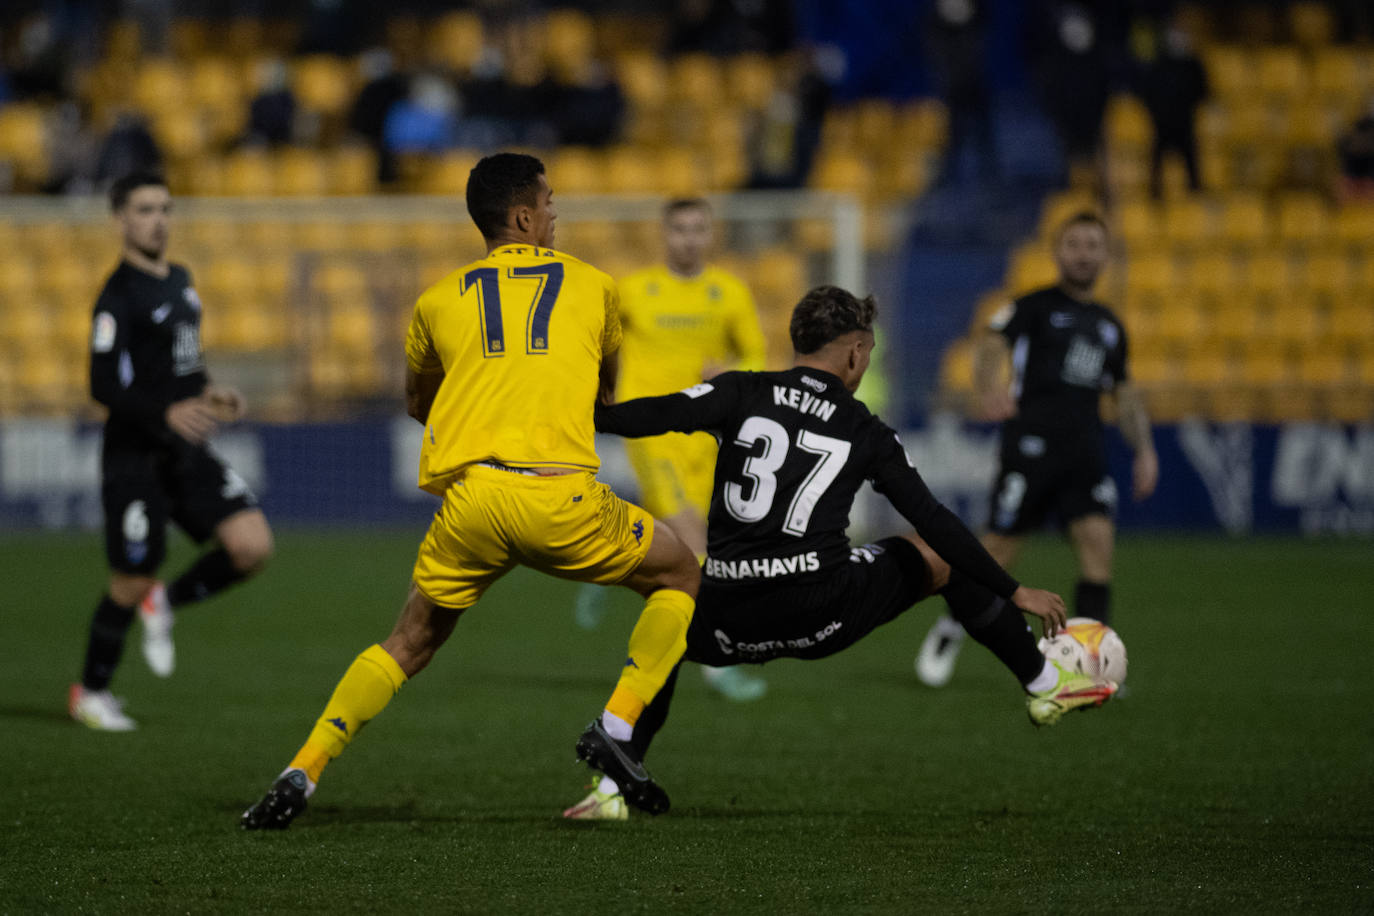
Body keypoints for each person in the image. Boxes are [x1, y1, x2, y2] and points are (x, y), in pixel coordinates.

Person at [240, 153, 701, 829]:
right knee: (682, 573)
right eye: (548, 202)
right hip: (560, 499)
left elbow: (417, 403)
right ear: (522, 217)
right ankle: (616, 724)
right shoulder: (598, 287)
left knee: (408, 642)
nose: (554, 213)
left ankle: (302, 770)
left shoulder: (434, 302)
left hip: (475, 502)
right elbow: (603, 394)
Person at [564, 285, 1116, 820]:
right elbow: (934, 519)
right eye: (868, 354)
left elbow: (650, 416)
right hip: (821, 609)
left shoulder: (742, 391)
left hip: (728, 613)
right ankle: (1045, 685)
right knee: (937, 553)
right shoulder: (863, 427)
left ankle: (611, 786)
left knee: (670, 624)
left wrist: (586, 414)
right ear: (854, 352)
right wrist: (1013, 588)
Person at [915, 211, 1157, 688]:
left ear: (1105, 256)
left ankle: (1087, 666)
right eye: (1074, 244)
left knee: (1097, 551)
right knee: (998, 550)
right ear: (1057, 252)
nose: (1084, 253)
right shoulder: (1032, 307)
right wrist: (989, 386)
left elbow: (1124, 392)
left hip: (1085, 451)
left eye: (1092, 245)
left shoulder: (1110, 326)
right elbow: (989, 345)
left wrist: (1145, 448)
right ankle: (949, 628)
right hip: (1030, 449)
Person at [69, 171, 273, 732]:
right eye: (144, 210)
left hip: (183, 446)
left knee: (251, 546)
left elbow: (182, 362)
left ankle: (166, 601)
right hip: (135, 454)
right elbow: (102, 384)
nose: (158, 220)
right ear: (120, 220)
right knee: (128, 579)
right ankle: (91, 692)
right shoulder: (117, 297)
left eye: (164, 208)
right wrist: (163, 413)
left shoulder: (181, 280)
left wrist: (209, 391)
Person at [574, 197, 770, 702]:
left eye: (698, 229)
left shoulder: (728, 293)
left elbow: (755, 355)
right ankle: (718, 662)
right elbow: (598, 340)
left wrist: (731, 371)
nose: (689, 238)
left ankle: (611, 565)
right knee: (700, 548)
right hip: (653, 432)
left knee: (685, 539)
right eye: (679, 229)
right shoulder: (636, 292)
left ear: (712, 234)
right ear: (665, 235)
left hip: (706, 436)